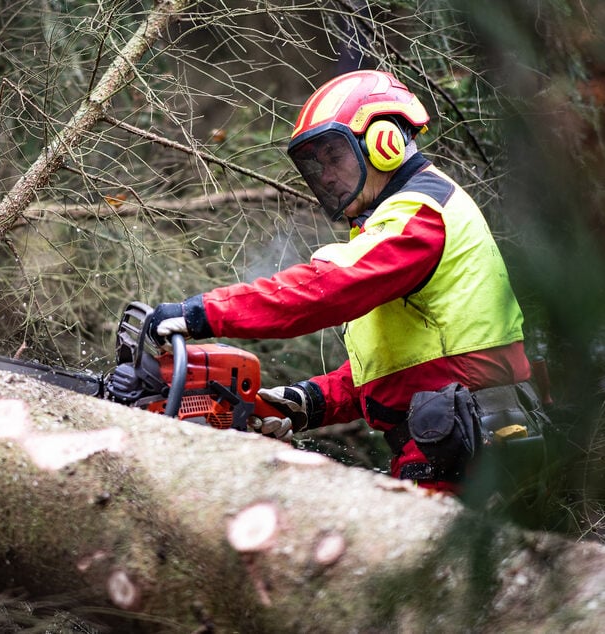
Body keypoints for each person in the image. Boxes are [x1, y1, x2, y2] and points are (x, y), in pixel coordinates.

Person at [148, 69, 548, 493]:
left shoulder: (421, 213)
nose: (327, 175)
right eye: (316, 164)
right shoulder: (400, 221)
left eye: (333, 156)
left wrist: (204, 312)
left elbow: (328, 289)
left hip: (468, 449)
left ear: (384, 142)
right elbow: (406, 369)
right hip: (447, 443)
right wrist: (308, 402)